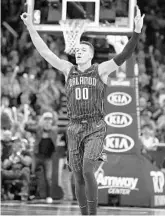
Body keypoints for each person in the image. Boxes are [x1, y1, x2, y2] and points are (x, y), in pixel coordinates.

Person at [21, 5, 144, 215]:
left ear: (91, 55)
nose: (78, 52)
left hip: (95, 125)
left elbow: (124, 54)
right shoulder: (68, 70)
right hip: (74, 127)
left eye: (83, 50)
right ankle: (84, 213)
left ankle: (93, 214)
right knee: (76, 176)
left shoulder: (101, 69)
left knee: (88, 170)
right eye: (77, 50)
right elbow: (44, 51)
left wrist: (136, 32)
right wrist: (31, 27)